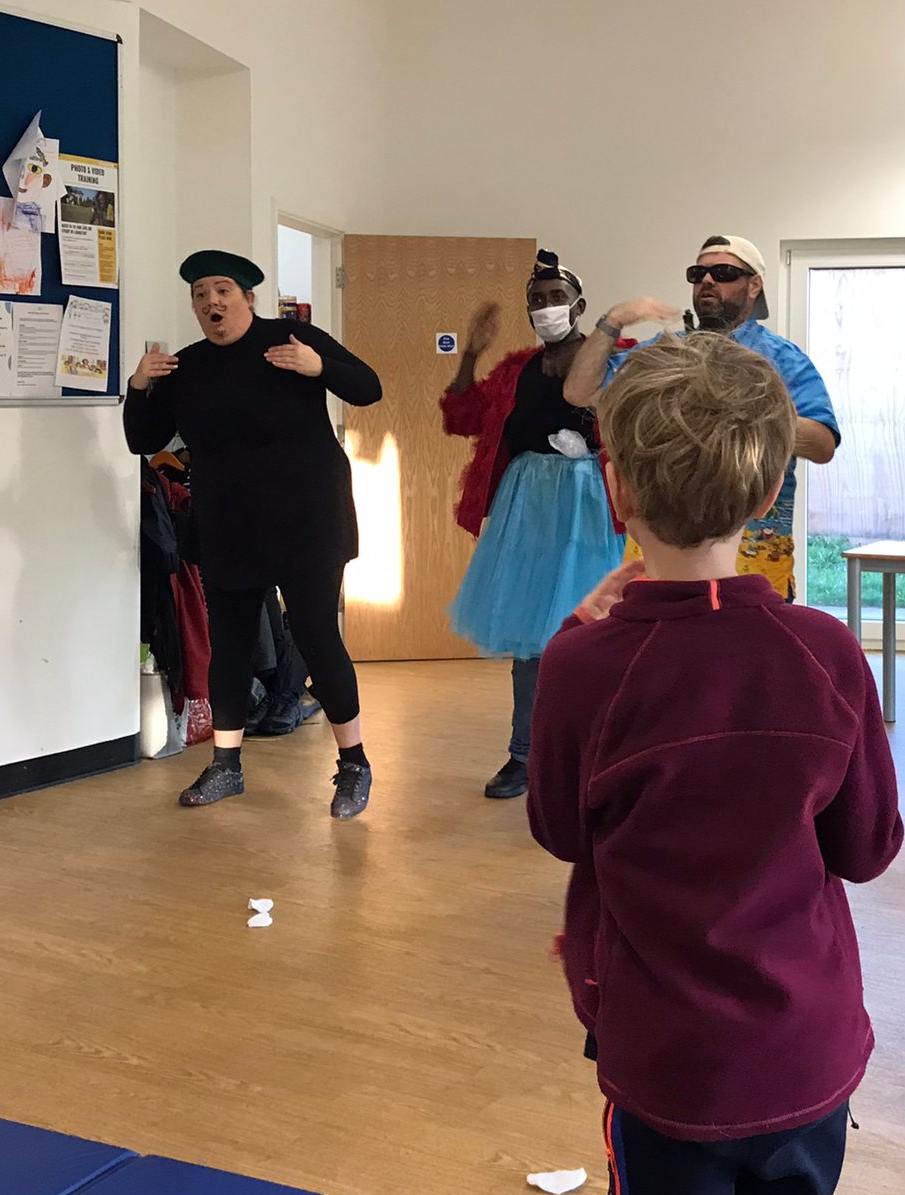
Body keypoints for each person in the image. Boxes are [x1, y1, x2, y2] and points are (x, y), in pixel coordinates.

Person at [530, 335, 902, 1195]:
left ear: (617, 488)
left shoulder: (583, 664)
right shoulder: (825, 652)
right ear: (771, 490)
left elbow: (559, 830)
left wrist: (578, 635)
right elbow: (867, 846)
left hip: (668, 1063)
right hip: (806, 1052)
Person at [124, 249, 384, 819]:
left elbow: (368, 387)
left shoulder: (290, 338)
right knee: (232, 644)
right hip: (228, 519)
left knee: (316, 635)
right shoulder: (186, 367)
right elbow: (143, 439)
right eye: (200, 295)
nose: (211, 302)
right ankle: (226, 765)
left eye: (222, 290)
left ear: (247, 298)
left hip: (308, 516)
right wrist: (138, 386)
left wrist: (319, 368)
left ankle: (355, 763)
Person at [442, 249, 627, 799]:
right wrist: (469, 355)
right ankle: (523, 755)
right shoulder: (515, 369)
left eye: (556, 299)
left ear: (580, 305)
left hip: (588, 504)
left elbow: (639, 418)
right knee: (529, 638)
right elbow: (461, 418)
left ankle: (596, 756)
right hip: (525, 506)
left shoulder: (616, 361)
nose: (547, 308)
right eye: (537, 302)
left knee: (588, 630)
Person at [563, 235, 839, 600]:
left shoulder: (784, 359)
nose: (707, 281)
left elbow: (822, 444)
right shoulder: (663, 352)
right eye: (699, 273)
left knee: (751, 654)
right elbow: (578, 392)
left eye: (723, 273)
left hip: (754, 548)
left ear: (754, 285)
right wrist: (612, 321)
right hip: (660, 545)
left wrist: (740, 407)